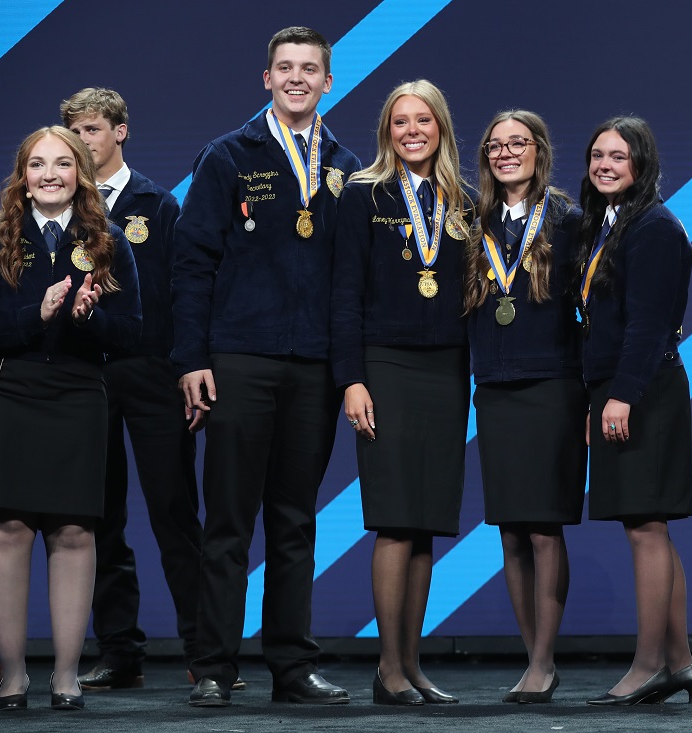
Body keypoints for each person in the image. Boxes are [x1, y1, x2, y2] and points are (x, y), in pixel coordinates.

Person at [172, 26, 360, 708]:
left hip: (312, 367)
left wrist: (347, 371)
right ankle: (214, 667)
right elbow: (191, 263)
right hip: (240, 360)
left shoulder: (347, 166)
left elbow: (350, 279)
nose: (297, 78)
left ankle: (292, 667)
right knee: (228, 521)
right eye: (285, 67)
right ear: (267, 78)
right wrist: (192, 358)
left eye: (309, 69)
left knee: (295, 521)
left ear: (328, 81)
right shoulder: (228, 155)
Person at [0, 126, 142, 711]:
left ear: (80, 172)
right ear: (22, 175)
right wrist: (33, 315)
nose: (50, 174)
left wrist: (88, 318)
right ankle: (12, 674)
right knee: (5, 529)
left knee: (74, 531)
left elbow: (132, 332)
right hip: (8, 393)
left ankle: (66, 676)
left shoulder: (108, 240)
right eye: (38, 164)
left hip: (78, 396)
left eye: (63, 163)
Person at [331, 79, 472, 706]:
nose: (412, 131)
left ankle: (412, 667)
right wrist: (351, 379)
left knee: (426, 524)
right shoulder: (362, 195)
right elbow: (343, 293)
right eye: (400, 122)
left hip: (447, 371)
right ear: (386, 131)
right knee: (394, 520)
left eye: (423, 120)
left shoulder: (465, 201)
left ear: (441, 127)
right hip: (384, 367)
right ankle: (387, 668)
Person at [59, 87, 203, 691]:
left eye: (92, 129)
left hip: (151, 372)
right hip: (84, 376)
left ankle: (206, 652)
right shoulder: (58, 209)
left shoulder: (157, 204)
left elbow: (186, 290)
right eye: (74, 132)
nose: (82, 141)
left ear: (120, 132)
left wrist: (188, 365)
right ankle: (120, 653)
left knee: (174, 511)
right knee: (99, 516)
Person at [577, 117, 692, 706]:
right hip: (621, 389)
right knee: (646, 527)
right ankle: (679, 663)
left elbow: (649, 326)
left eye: (618, 157)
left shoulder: (653, 228)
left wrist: (622, 394)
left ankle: (649, 665)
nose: (605, 165)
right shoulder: (611, 223)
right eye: (597, 155)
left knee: (646, 527)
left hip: (646, 393)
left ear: (641, 165)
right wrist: (599, 396)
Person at [463, 111, 585, 704]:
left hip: (552, 386)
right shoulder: (471, 223)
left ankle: (544, 661)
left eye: (518, 143)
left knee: (542, 527)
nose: (506, 153)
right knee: (510, 530)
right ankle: (532, 657)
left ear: (540, 149)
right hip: (494, 388)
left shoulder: (568, 220)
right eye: (496, 145)